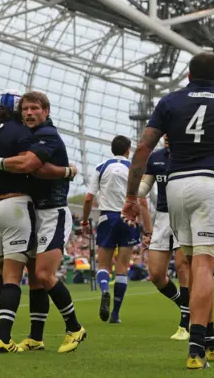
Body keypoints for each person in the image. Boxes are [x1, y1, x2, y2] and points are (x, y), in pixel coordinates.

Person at [121, 52, 214, 369]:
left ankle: (208, 336)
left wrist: (130, 195)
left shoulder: (170, 102)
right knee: (203, 267)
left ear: (187, 76)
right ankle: (196, 350)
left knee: (192, 265)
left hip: (176, 188)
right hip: (211, 185)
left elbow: (142, 148)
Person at [0, 90, 74, 352]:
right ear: (18, 110)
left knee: (1, 270)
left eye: (34, 109)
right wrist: (68, 171)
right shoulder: (22, 134)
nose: (28, 114)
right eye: (25, 109)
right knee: (27, 276)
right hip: (20, 207)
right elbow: (31, 165)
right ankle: (7, 338)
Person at [81, 135, 152, 324]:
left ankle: (104, 291)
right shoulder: (133, 170)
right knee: (122, 267)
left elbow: (88, 198)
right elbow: (143, 202)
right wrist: (146, 230)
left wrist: (85, 222)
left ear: (112, 149)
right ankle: (115, 314)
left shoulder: (101, 168)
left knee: (103, 266)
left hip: (107, 217)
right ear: (128, 150)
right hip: (128, 218)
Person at [134, 135, 191, 340]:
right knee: (156, 275)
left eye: (171, 132)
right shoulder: (156, 158)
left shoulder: (189, 157)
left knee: (183, 266)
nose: (167, 136)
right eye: (165, 133)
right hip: (162, 218)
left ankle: (185, 323)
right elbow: (144, 188)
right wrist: (129, 186)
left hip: (185, 216)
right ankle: (184, 305)